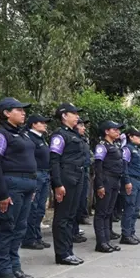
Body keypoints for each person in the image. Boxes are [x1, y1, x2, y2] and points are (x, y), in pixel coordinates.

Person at [0, 97, 36, 278]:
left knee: (19, 228)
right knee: (5, 228)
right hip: (10, 185)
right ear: (6, 113)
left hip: (26, 185)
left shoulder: (22, 134)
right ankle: (3, 271)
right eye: (19, 109)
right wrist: (1, 194)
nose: (23, 113)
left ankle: (15, 266)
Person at [49, 104, 86, 265]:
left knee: (71, 216)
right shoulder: (59, 135)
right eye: (74, 113)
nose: (77, 116)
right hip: (66, 176)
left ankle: (69, 250)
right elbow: (54, 160)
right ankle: (62, 253)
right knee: (62, 217)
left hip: (78, 176)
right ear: (64, 116)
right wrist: (57, 183)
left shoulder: (74, 134)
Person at [93, 121, 131, 253]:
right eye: (115, 130)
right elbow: (97, 167)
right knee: (101, 212)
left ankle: (107, 240)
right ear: (106, 131)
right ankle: (101, 242)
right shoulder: (102, 146)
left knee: (109, 212)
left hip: (115, 180)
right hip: (106, 180)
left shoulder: (115, 145)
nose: (118, 132)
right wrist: (99, 185)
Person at [22, 114, 51, 250]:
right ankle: (29, 238)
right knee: (32, 208)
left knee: (40, 208)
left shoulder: (41, 138)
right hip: (36, 174)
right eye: (42, 122)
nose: (45, 124)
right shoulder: (29, 137)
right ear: (33, 124)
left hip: (44, 174)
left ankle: (37, 236)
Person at [121, 127, 140, 245]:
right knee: (129, 207)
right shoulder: (127, 149)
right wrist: (127, 181)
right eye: (137, 136)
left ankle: (131, 232)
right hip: (131, 180)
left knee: (136, 209)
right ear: (130, 137)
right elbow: (124, 166)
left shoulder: (138, 150)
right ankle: (126, 234)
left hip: (139, 180)